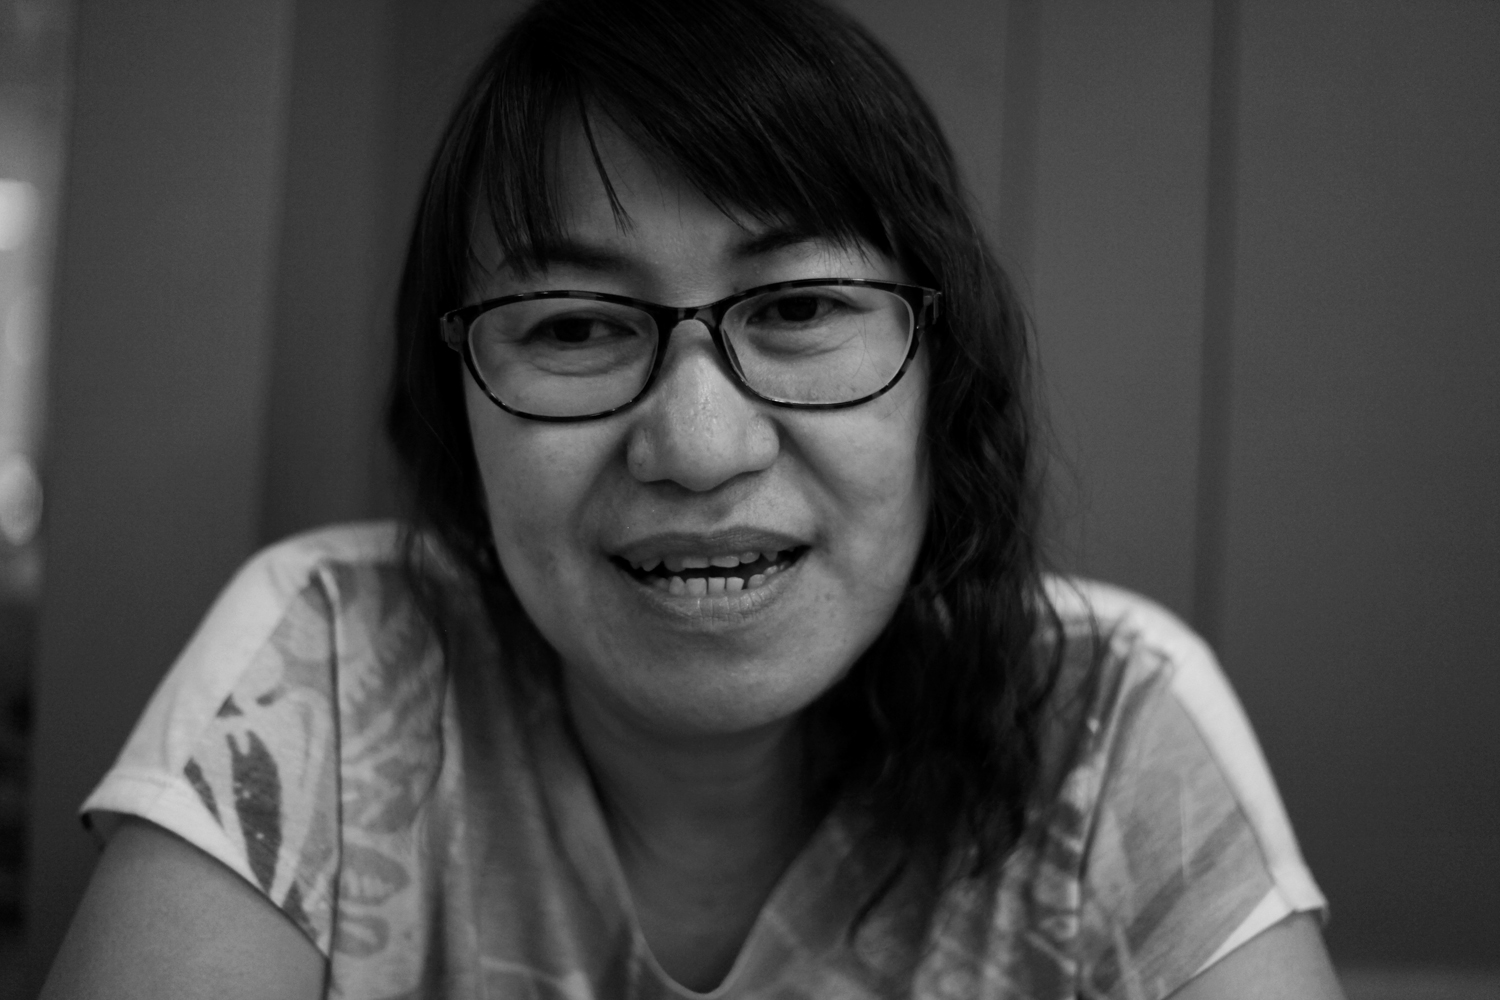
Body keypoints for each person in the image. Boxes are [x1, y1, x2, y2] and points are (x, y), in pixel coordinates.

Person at [40, 0, 1346, 997]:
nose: (700, 445)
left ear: (941, 376)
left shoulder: (1103, 717)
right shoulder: (331, 658)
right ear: (458, 407)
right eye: (574, 328)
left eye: (801, 308)